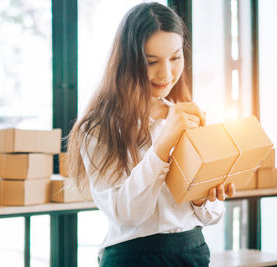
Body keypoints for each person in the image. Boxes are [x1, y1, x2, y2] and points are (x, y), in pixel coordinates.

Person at [67, 2, 235, 266]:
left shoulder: (186, 118)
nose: (166, 73)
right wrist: (163, 145)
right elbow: (126, 214)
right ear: (127, 61)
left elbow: (209, 216)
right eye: (151, 61)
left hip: (192, 252)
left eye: (175, 58)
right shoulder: (99, 128)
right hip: (133, 257)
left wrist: (204, 196)